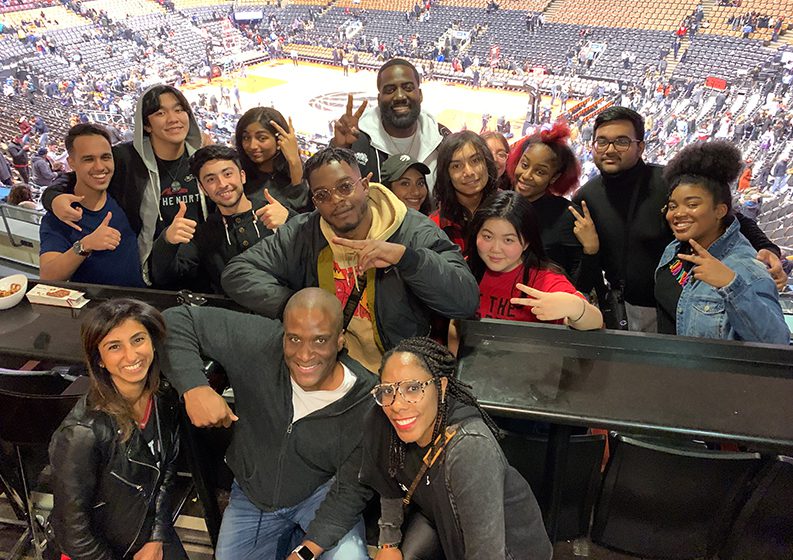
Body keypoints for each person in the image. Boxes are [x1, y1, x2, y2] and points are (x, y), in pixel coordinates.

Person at [221, 147, 478, 372]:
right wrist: (298, 306)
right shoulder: (304, 232)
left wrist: (407, 259)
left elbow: (464, 300)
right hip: (328, 369)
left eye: (345, 187)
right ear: (314, 202)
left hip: (396, 373)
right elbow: (238, 273)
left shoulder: (412, 230)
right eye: (322, 195)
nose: (337, 201)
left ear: (365, 185)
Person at [163, 288, 376, 560]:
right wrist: (194, 388)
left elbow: (351, 491)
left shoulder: (366, 400)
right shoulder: (261, 341)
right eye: (294, 339)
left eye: (320, 340)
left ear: (340, 341)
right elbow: (175, 320)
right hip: (253, 494)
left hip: (321, 494)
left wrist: (306, 553)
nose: (305, 354)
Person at [572, 106, 785, 332]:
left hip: (681, 306)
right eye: (602, 142)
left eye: (622, 141)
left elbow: (730, 217)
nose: (610, 149)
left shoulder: (670, 183)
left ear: (640, 147)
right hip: (621, 308)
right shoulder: (586, 196)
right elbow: (587, 266)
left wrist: (768, 248)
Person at [360, 337, 553, 560]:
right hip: (442, 522)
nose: (397, 405)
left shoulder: (469, 448)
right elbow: (390, 480)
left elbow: (487, 554)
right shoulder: (384, 418)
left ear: (441, 386)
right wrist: (388, 544)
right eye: (387, 391)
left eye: (413, 388)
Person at [49, 299, 187, 560]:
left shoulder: (163, 397)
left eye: (138, 340)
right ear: (98, 360)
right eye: (115, 347)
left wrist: (157, 537)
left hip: (146, 532)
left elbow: (166, 471)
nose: (132, 355)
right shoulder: (82, 433)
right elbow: (72, 533)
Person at [41, 84, 211, 286]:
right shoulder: (127, 157)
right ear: (146, 125)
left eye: (179, 109)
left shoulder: (203, 155)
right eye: (160, 113)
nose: (173, 118)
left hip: (204, 264)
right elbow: (85, 173)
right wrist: (53, 198)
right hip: (157, 271)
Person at [655, 142, 788, 344]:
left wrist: (730, 285)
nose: (679, 213)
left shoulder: (746, 269)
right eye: (673, 206)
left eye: (692, 204)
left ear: (720, 210)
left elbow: (776, 343)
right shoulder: (675, 248)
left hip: (708, 374)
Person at [150, 145, 280, 293]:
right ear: (203, 188)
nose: (222, 184)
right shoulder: (203, 234)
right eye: (211, 179)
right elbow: (165, 277)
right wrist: (167, 241)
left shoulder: (275, 212)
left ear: (242, 176)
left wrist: (291, 220)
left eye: (228, 174)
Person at [466, 191, 602, 329]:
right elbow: (456, 325)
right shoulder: (465, 268)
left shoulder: (544, 279)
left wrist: (575, 307)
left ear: (526, 242)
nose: (495, 249)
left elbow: (596, 322)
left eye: (508, 240)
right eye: (488, 237)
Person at [39, 124, 144, 287]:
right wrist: (85, 245)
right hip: (95, 308)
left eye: (105, 157)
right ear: (71, 163)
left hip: (141, 303)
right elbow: (48, 275)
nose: (100, 167)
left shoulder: (124, 196)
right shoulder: (60, 216)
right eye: (88, 159)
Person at [331, 59, 450, 189]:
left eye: (408, 88)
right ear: (379, 99)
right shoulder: (357, 141)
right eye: (390, 90)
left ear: (420, 95)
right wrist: (338, 148)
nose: (399, 96)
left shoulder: (441, 139)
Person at [506, 121, 597, 289]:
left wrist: (591, 248)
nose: (526, 175)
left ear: (554, 178)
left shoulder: (568, 216)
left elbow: (582, 283)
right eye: (524, 165)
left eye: (540, 172)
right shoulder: (502, 203)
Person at [430, 130, 499, 252]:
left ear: (487, 162)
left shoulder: (510, 209)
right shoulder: (435, 226)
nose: (469, 172)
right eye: (456, 166)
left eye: (475, 160)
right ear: (446, 174)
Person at [235, 106, 312, 213]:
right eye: (246, 138)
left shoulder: (306, 172)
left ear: (280, 139)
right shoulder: (238, 176)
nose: (252, 146)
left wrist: (294, 162)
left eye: (262, 138)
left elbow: (302, 213)